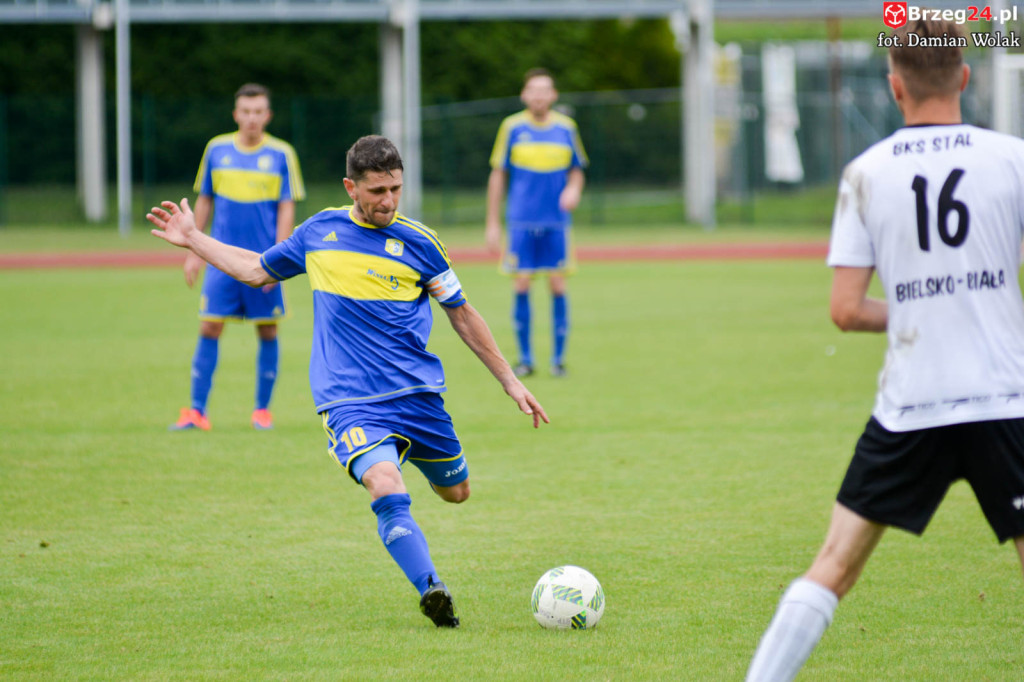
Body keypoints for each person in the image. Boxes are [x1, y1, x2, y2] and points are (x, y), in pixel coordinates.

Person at [148, 135, 548, 628]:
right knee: (384, 483)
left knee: (457, 492)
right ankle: (432, 590)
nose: (388, 201)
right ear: (350, 187)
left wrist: (509, 380)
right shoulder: (320, 232)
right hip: (349, 400)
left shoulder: (421, 243)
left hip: (418, 395)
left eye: (395, 189)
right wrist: (192, 238)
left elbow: (461, 314)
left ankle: (415, 497)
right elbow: (255, 270)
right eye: (377, 190)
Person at [745, 17, 1024, 681]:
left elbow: (844, 310)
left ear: (895, 86)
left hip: (911, 405)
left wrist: (921, 306)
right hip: (1004, 397)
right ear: (963, 78)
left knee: (834, 566)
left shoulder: (865, 172)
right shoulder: (1012, 159)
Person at [170, 82, 305, 432]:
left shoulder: (281, 154)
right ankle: (197, 412)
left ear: (268, 115)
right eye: (245, 112)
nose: (251, 118)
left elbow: (286, 207)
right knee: (209, 325)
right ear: (236, 114)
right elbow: (204, 200)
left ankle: (262, 411)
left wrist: (279, 259)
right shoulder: (216, 149)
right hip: (219, 259)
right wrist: (194, 252)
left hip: (262, 261)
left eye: (258, 111)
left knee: (268, 330)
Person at [485, 67, 587, 378]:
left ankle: (558, 361)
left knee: (557, 284)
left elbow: (577, 169)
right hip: (520, 222)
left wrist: (573, 189)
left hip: (556, 222)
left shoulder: (566, 128)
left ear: (553, 95)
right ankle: (526, 360)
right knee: (522, 282)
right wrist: (493, 222)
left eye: (545, 90)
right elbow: (498, 175)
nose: (539, 96)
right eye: (534, 90)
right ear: (524, 95)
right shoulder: (512, 127)